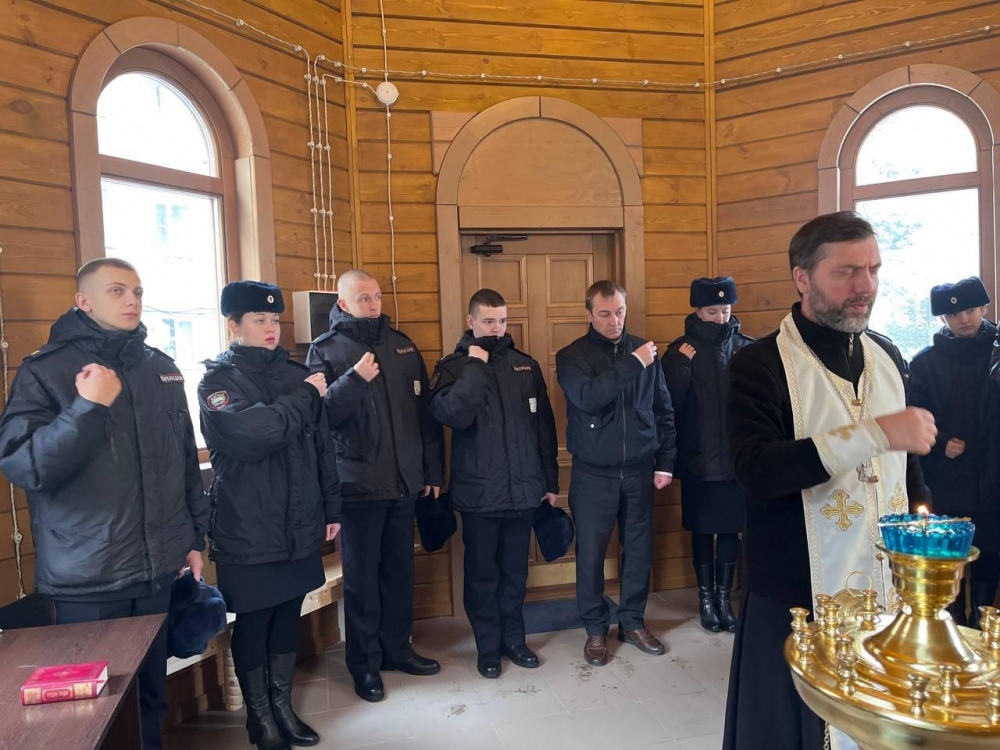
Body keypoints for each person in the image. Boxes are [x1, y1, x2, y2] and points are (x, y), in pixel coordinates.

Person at [722, 211, 934, 750]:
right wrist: (874, 433)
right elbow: (757, 470)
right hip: (797, 592)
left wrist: (922, 533)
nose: (866, 286)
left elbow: (905, 468)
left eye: (873, 269)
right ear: (802, 277)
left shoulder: (886, 355)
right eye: (846, 272)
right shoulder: (759, 364)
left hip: (888, 589)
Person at [0, 258, 208, 750]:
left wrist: (193, 538)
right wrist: (87, 408)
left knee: (150, 698)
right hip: (87, 577)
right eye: (117, 290)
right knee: (94, 711)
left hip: (157, 568)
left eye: (137, 291)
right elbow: (24, 466)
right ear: (84, 301)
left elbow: (183, 460)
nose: (132, 300)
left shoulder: (161, 367)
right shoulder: (45, 370)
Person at [199, 281, 342, 750]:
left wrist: (331, 506)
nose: (270, 328)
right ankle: (259, 719)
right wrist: (304, 396)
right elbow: (253, 435)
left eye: (275, 320)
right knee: (255, 620)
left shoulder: (296, 374)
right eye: (258, 320)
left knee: (286, 615)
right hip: (248, 525)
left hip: (299, 519)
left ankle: (283, 707)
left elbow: (322, 448)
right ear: (234, 325)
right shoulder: (216, 382)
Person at [306, 269, 444, 702]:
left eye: (377, 296)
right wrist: (353, 380)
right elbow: (318, 418)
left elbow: (423, 417)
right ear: (343, 303)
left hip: (404, 482)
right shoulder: (326, 350)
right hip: (358, 486)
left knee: (400, 574)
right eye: (363, 298)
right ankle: (364, 664)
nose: (373, 304)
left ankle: (397, 650)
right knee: (362, 583)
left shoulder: (402, 346)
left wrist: (431, 471)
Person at [427, 289, 559, 679]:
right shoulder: (453, 368)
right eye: (488, 321)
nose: (497, 329)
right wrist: (475, 366)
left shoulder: (525, 366)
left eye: (502, 321)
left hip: (524, 490)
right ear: (471, 322)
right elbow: (452, 415)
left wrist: (550, 481)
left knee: (516, 573)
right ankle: (487, 646)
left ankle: (514, 640)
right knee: (482, 575)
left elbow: (544, 428)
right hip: (479, 494)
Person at [555, 280, 677, 667]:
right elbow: (589, 398)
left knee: (639, 551)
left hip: (640, 470)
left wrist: (666, 462)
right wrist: (633, 363)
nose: (615, 321)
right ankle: (595, 628)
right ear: (589, 315)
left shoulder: (645, 350)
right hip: (593, 474)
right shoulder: (572, 356)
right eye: (605, 314)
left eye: (620, 312)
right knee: (591, 554)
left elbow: (663, 409)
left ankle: (632, 622)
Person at [663, 276, 753, 634]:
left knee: (731, 530)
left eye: (725, 310)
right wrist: (682, 366)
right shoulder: (680, 351)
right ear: (698, 311)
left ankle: (723, 599)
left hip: (735, 460)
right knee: (701, 529)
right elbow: (668, 402)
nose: (720, 318)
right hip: (698, 459)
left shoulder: (747, 348)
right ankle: (705, 598)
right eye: (712, 311)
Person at [910, 277, 998, 628]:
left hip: (994, 472)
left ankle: (983, 623)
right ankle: (954, 624)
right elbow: (915, 414)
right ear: (943, 319)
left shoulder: (997, 352)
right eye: (955, 314)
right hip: (948, 477)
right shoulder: (925, 363)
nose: (965, 319)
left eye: (971, 310)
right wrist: (940, 441)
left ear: (984, 309)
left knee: (990, 551)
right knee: (950, 557)